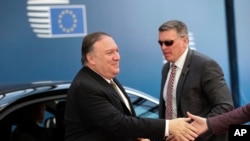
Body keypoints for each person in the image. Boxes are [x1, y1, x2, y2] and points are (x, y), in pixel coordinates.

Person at [64, 31, 198, 141]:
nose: (117, 57)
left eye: (117, 51)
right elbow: (118, 123)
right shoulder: (86, 87)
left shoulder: (106, 78)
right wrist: (169, 125)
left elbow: (119, 123)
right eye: (110, 53)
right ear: (91, 59)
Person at [157, 20, 234, 141]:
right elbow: (165, 109)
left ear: (185, 41)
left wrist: (189, 133)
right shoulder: (166, 68)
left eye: (168, 42)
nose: (163, 47)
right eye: (160, 43)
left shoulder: (205, 65)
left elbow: (225, 106)